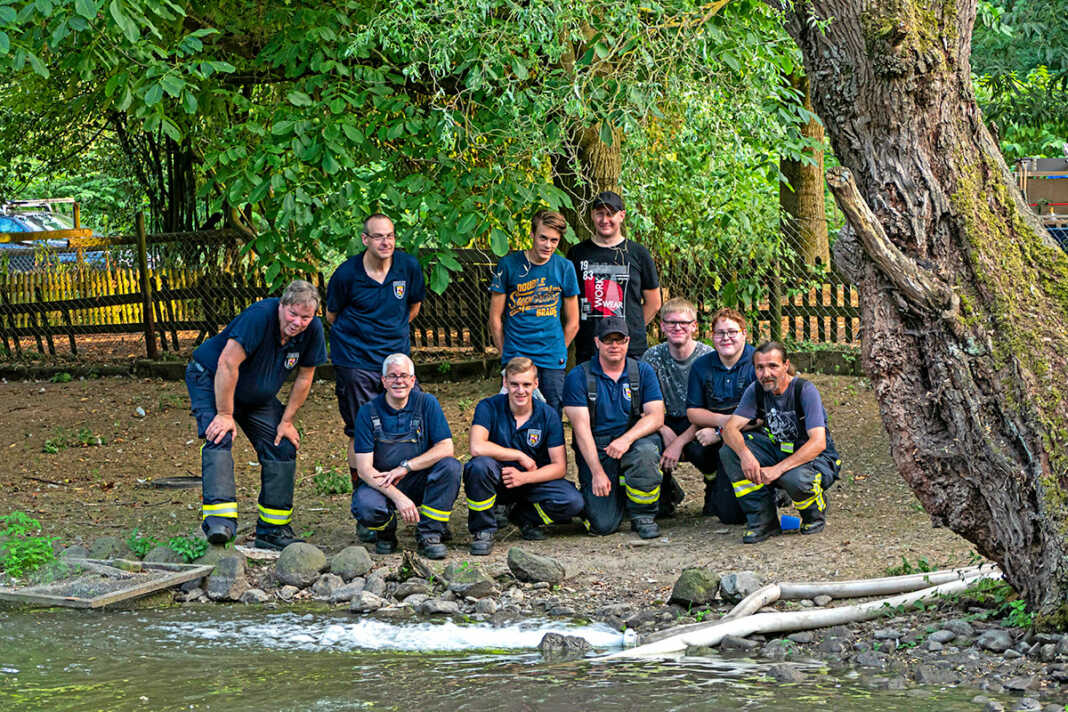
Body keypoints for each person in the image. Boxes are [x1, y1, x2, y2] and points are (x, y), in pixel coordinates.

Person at [186, 280, 327, 550]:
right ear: (282, 305)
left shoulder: (313, 331)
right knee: (219, 435)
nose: (298, 322)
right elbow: (227, 363)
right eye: (293, 314)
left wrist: (286, 421)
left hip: (253, 394)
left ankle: (272, 531)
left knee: (282, 445)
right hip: (211, 377)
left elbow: (305, 376)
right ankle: (220, 523)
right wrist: (225, 414)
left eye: (305, 317)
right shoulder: (259, 316)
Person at [326, 213, 425, 542]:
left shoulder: (408, 267)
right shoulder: (346, 274)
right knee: (360, 430)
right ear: (365, 240)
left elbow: (413, 307)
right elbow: (332, 315)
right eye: (379, 236)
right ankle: (365, 499)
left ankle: (412, 496)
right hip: (355, 362)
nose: (386, 242)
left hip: (395, 360)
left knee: (411, 423)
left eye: (391, 236)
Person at [720, 342, 842, 543]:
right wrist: (745, 456)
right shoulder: (756, 390)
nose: (766, 373)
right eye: (760, 367)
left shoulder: (804, 390)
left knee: (794, 479)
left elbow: (818, 443)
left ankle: (814, 513)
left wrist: (777, 470)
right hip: (779, 450)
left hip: (816, 458)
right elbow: (730, 429)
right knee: (729, 451)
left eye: (773, 366)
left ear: (786, 365)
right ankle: (763, 521)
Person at [463, 357, 585, 555]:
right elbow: (476, 446)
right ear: (505, 383)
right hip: (498, 480)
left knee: (573, 501)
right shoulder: (488, 406)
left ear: (536, 384)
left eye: (527, 384)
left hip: (531, 481)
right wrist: (519, 455)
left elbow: (559, 467)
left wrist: (524, 477)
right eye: (514, 384)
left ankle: (524, 516)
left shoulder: (548, 415)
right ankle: (483, 530)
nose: (521, 391)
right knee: (478, 466)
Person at [350, 353, 461, 559]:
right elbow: (364, 469)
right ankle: (386, 532)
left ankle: (430, 533)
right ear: (383, 381)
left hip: (420, 479)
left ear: (413, 380)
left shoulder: (427, 403)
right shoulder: (368, 412)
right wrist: (399, 498)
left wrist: (406, 467)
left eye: (404, 375)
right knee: (364, 505)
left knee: (451, 467)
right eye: (392, 376)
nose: (398, 381)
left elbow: (446, 447)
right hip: (383, 483)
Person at [563, 317, 665, 539]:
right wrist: (597, 472)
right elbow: (581, 431)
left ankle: (643, 515)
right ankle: (615, 493)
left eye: (619, 340)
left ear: (628, 341)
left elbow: (656, 417)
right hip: (597, 446)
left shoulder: (643, 371)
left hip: (633, 441)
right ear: (597, 342)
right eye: (608, 340)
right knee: (603, 525)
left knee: (646, 451)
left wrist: (626, 440)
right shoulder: (578, 377)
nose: (614, 346)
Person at [488, 210, 580, 414]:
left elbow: (573, 321)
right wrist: (505, 353)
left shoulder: (564, 268)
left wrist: (558, 348)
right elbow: (495, 317)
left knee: (551, 415)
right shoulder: (509, 265)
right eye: (543, 238)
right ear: (531, 234)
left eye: (554, 240)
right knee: (512, 414)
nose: (548, 245)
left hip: (551, 357)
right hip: (516, 353)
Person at [567, 191, 661, 363]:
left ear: (622, 216)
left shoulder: (637, 253)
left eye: (610, 214)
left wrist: (631, 328)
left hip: (629, 349)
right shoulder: (577, 253)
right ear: (592, 215)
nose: (605, 220)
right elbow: (568, 301)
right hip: (589, 347)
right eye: (600, 214)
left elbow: (654, 303)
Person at [641, 298, 714, 517]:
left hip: (699, 420)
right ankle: (664, 490)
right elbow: (643, 406)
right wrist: (663, 429)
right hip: (662, 420)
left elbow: (710, 411)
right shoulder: (651, 357)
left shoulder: (707, 357)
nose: (677, 327)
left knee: (703, 447)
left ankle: (714, 486)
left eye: (683, 322)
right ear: (662, 326)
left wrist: (680, 442)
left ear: (694, 326)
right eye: (671, 322)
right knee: (648, 444)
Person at [685, 307, 756, 523]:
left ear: (744, 333)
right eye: (720, 333)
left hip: (751, 437)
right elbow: (693, 412)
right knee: (694, 447)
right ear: (712, 336)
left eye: (732, 332)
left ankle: (771, 489)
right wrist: (724, 425)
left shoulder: (757, 363)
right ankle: (715, 483)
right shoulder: (701, 365)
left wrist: (722, 431)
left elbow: (762, 416)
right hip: (721, 434)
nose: (726, 338)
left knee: (731, 517)